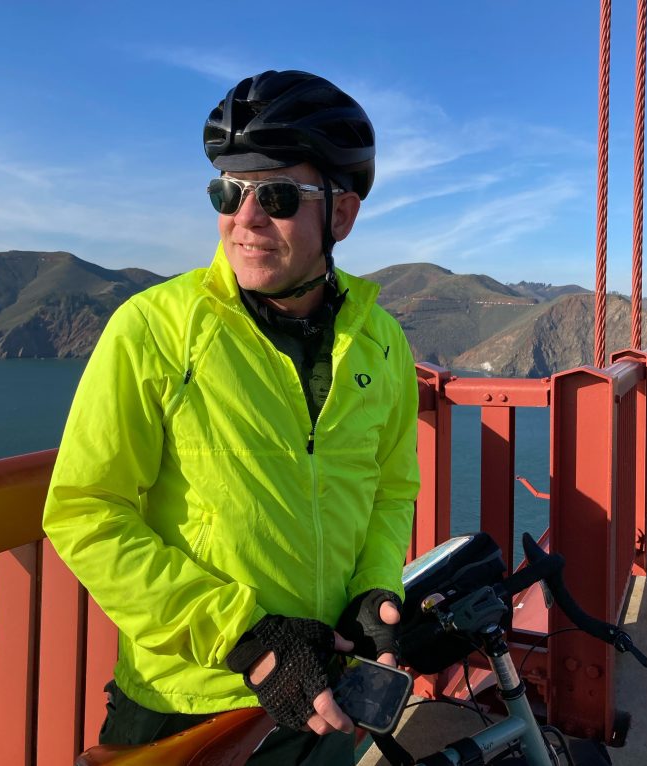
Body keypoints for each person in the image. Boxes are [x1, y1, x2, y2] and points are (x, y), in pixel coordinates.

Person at [43, 69, 420, 765]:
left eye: (275, 195)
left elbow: (391, 486)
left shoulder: (383, 343)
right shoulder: (155, 330)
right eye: (228, 191)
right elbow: (84, 512)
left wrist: (376, 585)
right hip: (184, 702)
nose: (243, 221)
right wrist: (244, 637)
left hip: (320, 693)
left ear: (340, 215)